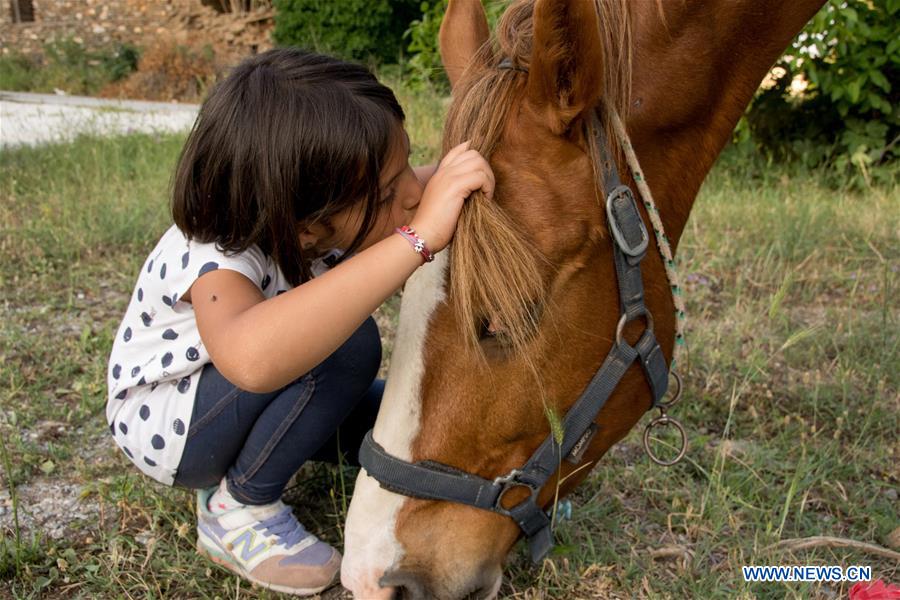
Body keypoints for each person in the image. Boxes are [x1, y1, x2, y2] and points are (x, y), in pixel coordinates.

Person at [105, 47, 494, 596]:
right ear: (305, 227)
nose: (412, 192)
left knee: (399, 417)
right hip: (176, 426)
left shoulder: (305, 217)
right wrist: (417, 240)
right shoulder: (217, 259)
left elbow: (427, 193)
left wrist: (464, 173)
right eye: (388, 193)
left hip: (246, 402)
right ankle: (236, 510)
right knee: (343, 348)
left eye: (407, 164)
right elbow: (252, 359)